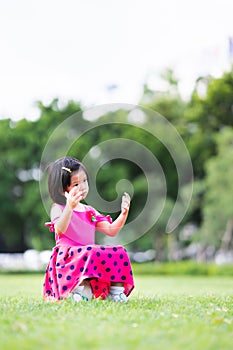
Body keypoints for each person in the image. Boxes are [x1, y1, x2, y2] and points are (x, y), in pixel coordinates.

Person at [43, 156, 134, 303]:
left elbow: (111, 230)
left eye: (85, 181)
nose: (83, 187)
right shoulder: (58, 208)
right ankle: (78, 290)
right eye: (76, 184)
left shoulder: (89, 211)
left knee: (119, 251)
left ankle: (115, 292)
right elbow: (60, 229)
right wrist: (70, 208)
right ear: (62, 190)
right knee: (90, 251)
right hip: (68, 258)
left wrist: (123, 214)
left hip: (87, 254)